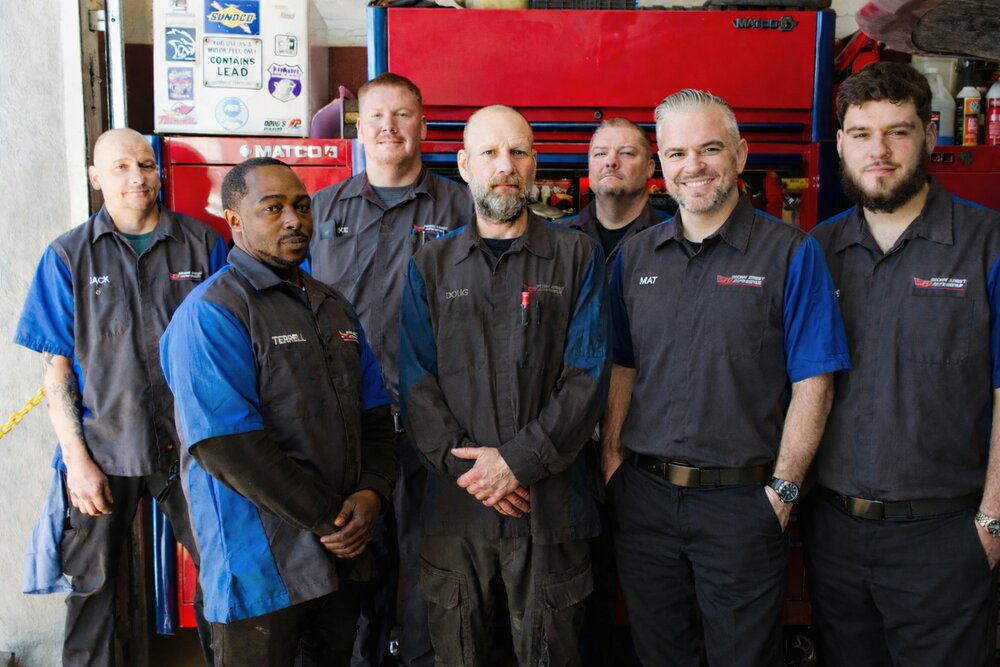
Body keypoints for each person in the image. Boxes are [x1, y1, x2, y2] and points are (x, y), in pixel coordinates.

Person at [602, 89, 851, 667]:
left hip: (743, 505)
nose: (693, 166)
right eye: (677, 152)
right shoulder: (635, 258)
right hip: (645, 501)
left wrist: (783, 491)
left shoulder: (792, 254)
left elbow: (815, 382)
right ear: (660, 164)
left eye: (710, 148)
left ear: (740, 155)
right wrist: (612, 463)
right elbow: (621, 365)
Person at [160, 157, 398, 666]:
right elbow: (227, 447)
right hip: (260, 566)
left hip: (340, 555)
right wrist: (330, 518)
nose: (294, 219)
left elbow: (375, 415)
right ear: (235, 220)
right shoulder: (213, 312)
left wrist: (372, 493)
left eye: (301, 206)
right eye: (273, 208)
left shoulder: (333, 305)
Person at [802, 61, 1000, 667]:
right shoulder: (817, 251)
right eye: (861, 134)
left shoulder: (987, 244)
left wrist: (992, 523)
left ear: (930, 133)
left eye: (898, 131)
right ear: (840, 143)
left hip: (944, 534)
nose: (879, 152)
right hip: (833, 533)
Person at [399, 104, 610, 666]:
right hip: (456, 508)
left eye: (518, 151)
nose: (505, 165)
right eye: (490, 152)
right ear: (464, 164)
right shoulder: (430, 266)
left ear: (535, 163)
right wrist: (478, 472)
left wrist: (516, 462)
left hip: (549, 508)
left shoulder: (577, 256)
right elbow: (415, 384)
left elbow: (586, 378)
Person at [14, 128, 227, 667]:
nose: (137, 177)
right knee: (93, 588)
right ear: (95, 178)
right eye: (120, 168)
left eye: (146, 165)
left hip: (194, 446)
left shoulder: (204, 245)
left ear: (159, 171)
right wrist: (76, 462)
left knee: (225, 569)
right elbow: (57, 369)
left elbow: (230, 347)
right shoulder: (66, 257)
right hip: (105, 449)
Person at [308, 72, 472, 667]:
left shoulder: (462, 206)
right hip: (344, 425)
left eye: (403, 115)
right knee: (353, 557)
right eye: (376, 115)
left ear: (423, 127)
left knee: (434, 557)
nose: (388, 127)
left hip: (436, 421)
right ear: (359, 126)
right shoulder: (321, 211)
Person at [560, 116, 663, 666]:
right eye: (602, 152)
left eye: (627, 153)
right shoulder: (555, 242)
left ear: (652, 167)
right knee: (580, 595)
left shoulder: (675, 238)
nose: (612, 162)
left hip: (651, 446)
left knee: (656, 598)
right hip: (567, 447)